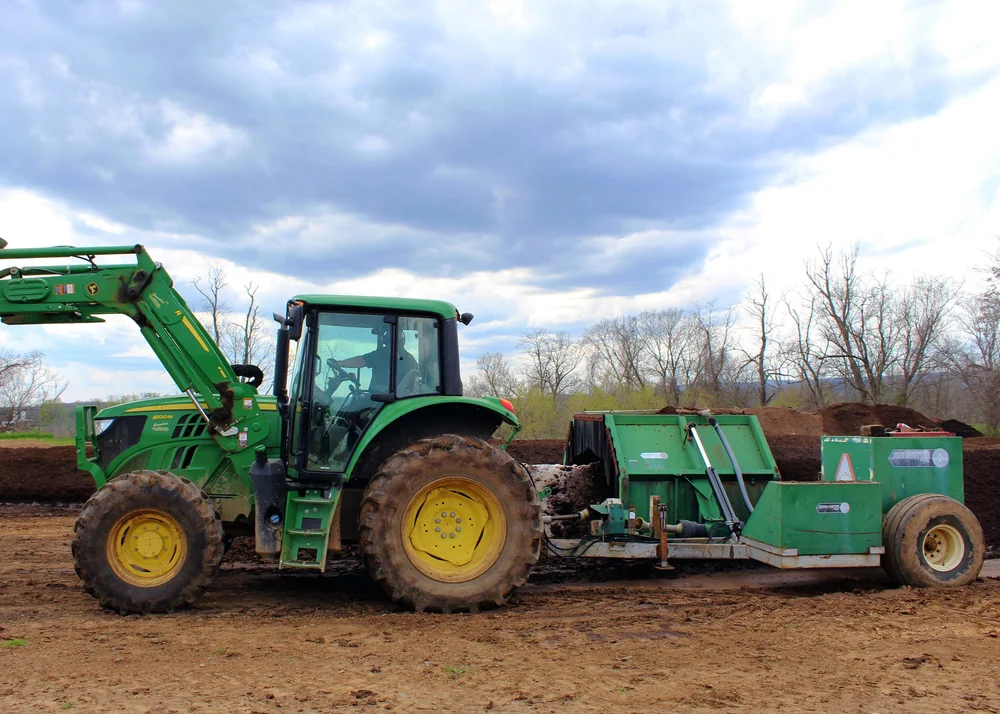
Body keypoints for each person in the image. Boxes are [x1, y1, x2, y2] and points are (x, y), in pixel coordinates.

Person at [329, 328, 416, 393]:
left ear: (386, 340)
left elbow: (361, 361)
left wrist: (340, 363)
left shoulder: (382, 354)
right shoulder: (410, 358)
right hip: (393, 396)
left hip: (380, 398)